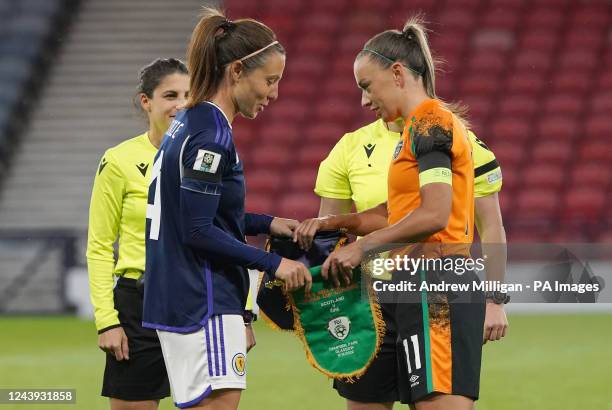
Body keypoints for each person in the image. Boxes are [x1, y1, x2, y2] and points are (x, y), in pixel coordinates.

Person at [295, 15, 489, 410]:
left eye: (367, 86)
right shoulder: (413, 130)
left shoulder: (432, 125)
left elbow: (435, 215)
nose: (364, 100)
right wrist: (336, 224)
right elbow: (400, 213)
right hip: (410, 283)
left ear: (397, 73)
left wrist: (361, 249)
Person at [141, 8, 312, 410]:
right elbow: (198, 230)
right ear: (236, 71)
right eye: (269, 80)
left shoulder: (189, 122)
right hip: (205, 299)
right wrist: (275, 264)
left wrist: (269, 224)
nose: (273, 93)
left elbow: (203, 213)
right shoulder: (212, 135)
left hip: (180, 296)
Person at [297, 116, 508, 409]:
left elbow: (491, 227)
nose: (366, 100)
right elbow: (329, 237)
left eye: (369, 86)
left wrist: (494, 299)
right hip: (369, 303)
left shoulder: (462, 141)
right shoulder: (350, 147)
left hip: (434, 293)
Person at [86, 58, 189, 410]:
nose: (181, 104)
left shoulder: (207, 156)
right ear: (147, 102)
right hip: (138, 305)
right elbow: (99, 246)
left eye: (189, 95)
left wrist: (242, 312)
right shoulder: (118, 161)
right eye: (170, 95)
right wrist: (107, 321)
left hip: (195, 299)